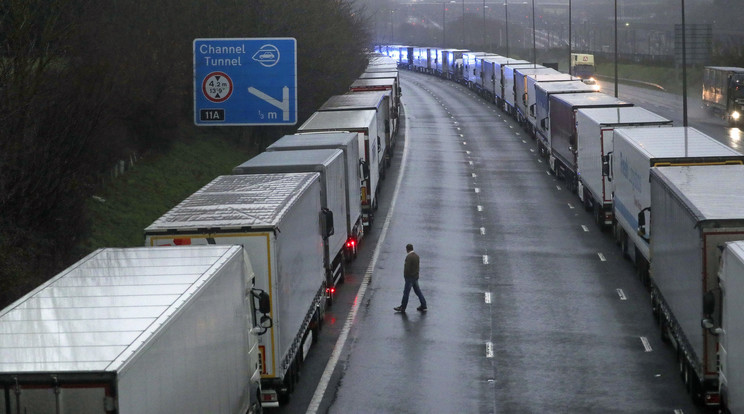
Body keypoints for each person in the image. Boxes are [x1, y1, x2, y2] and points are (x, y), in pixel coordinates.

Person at [394, 244, 427, 312]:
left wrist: (405, 276)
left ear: (407, 249)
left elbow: (407, 268)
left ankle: (403, 307)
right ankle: (424, 305)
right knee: (418, 292)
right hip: (415, 277)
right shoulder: (417, 256)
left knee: (406, 293)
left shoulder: (409, 257)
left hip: (409, 278)